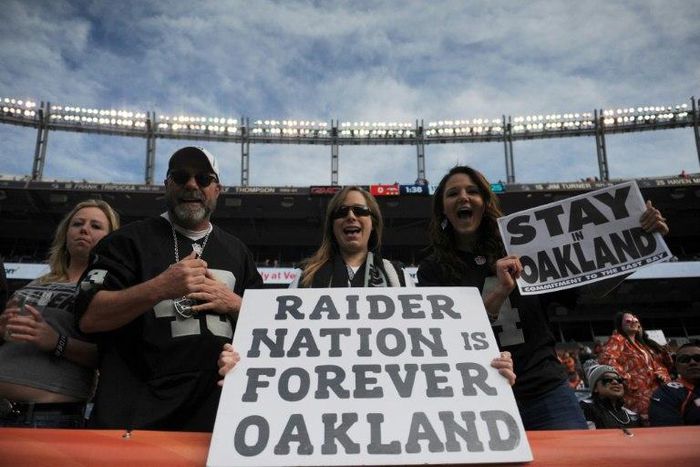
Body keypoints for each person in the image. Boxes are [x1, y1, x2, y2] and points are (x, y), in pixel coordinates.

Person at [417, 165, 669, 430]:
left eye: (473, 191)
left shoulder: (524, 247)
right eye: (453, 193)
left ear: (486, 202)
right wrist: (500, 291)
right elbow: (445, 334)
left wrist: (640, 244)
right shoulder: (432, 269)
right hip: (477, 390)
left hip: (544, 388)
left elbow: (584, 291)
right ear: (442, 209)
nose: (464, 198)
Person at [219, 185, 516, 385]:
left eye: (361, 211)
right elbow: (276, 338)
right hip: (318, 395)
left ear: (373, 223)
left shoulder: (398, 277)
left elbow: (431, 339)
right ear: (332, 225)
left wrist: (482, 365)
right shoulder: (305, 276)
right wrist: (241, 364)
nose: (351, 216)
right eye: (342, 212)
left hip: (385, 395)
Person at [75, 146, 263, 432]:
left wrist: (236, 304)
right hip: (134, 416)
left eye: (202, 178)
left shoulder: (238, 252)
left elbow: (269, 329)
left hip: (217, 417)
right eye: (180, 176)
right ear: (167, 185)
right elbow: (89, 317)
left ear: (216, 189)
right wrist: (160, 287)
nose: (191, 184)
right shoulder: (126, 241)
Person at [0, 200, 120, 428]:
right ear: (66, 233)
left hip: (46, 416)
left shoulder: (110, 290)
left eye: (96, 226)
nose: (84, 229)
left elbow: (114, 357)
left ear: (111, 238)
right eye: (77, 223)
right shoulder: (35, 283)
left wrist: (57, 342)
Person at [598, 311, 671, 422]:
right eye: (628, 321)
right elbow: (607, 359)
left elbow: (660, 366)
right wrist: (628, 380)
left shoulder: (643, 345)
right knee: (643, 426)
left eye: (635, 321)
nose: (633, 322)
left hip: (655, 393)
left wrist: (662, 374)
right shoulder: (618, 338)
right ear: (620, 325)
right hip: (635, 395)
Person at [649, 341, 700, 426]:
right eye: (684, 359)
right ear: (676, 366)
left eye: (698, 358)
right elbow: (668, 433)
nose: (692, 362)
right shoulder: (667, 393)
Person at [579, 363, 641, 429]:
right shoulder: (586, 407)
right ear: (595, 388)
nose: (615, 382)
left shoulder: (632, 415)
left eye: (619, 380)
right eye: (607, 379)